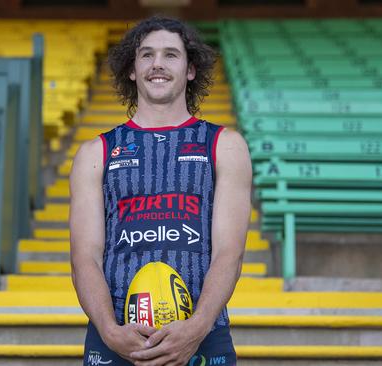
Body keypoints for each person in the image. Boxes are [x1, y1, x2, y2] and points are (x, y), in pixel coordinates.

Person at [70, 16, 252, 366]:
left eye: (171, 55)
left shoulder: (224, 145)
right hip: (118, 338)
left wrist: (196, 328)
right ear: (132, 70)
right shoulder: (95, 152)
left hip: (202, 338)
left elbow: (230, 253)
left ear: (190, 70)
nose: (157, 64)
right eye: (146, 55)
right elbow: (84, 258)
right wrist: (109, 330)